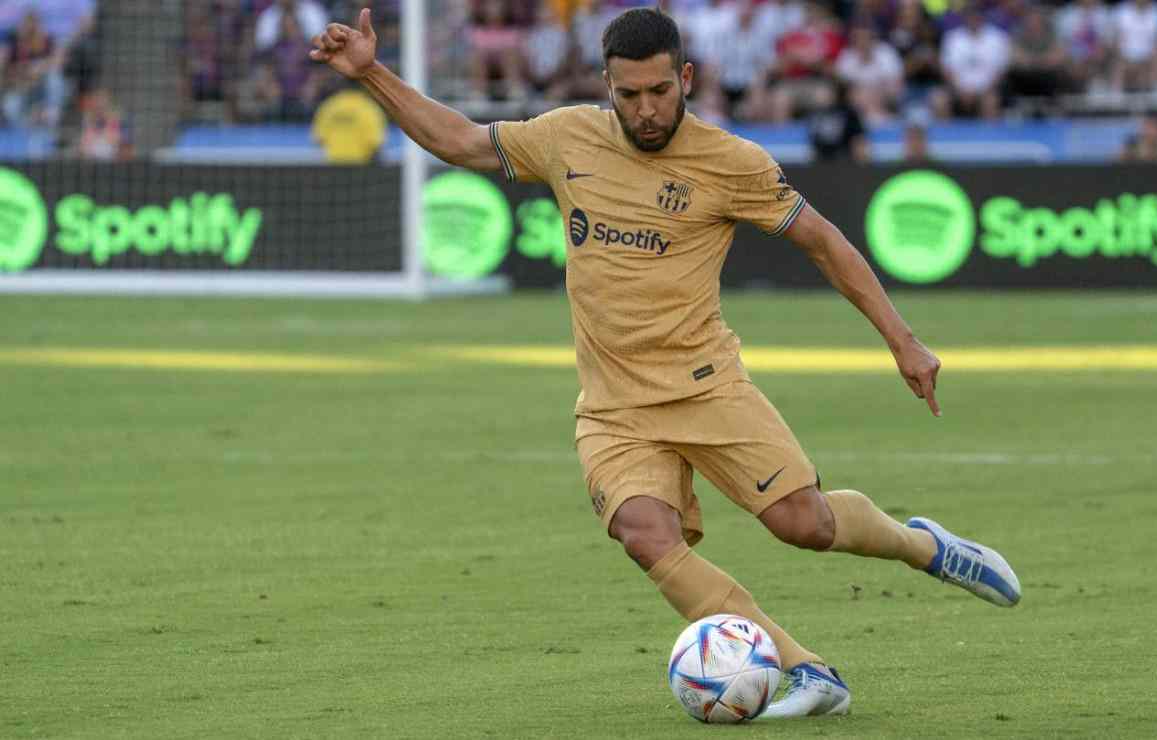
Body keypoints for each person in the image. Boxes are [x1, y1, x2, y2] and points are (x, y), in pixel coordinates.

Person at [311, 6, 1022, 720]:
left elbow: (823, 241)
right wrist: (371, 71)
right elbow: (462, 142)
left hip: (707, 387)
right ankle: (807, 671)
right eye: (628, 96)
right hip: (614, 407)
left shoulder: (731, 161)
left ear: (685, 77)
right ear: (606, 86)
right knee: (644, 534)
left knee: (804, 525)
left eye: (659, 92)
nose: (646, 111)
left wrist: (902, 338)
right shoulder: (566, 138)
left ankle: (919, 544)